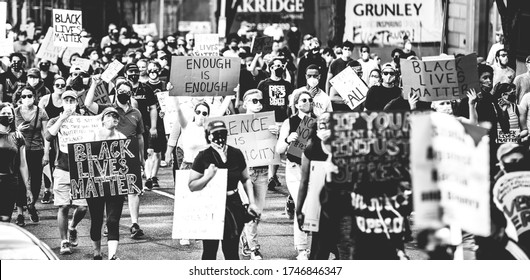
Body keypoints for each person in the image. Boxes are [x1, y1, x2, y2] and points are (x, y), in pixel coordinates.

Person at [84, 77, 146, 240]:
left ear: (131, 93)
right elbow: (88, 104)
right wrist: (94, 85)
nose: (123, 94)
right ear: (116, 92)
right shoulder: (109, 110)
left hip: (130, 154)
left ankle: (135, 224)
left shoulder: (136, 113)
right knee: (110, 191)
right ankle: (108, 224)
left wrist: (142, 158)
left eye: (127, 91)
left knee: (133, 190)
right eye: (120, 91)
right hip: (110, 155)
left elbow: (140, 137)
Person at [189, 120, 259, 260]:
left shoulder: (236, 153)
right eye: (215, 134)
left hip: (233, 204)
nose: (220, 137)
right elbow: (192, 185)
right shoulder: (203, 156)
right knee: (210, 251)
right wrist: (207, 176)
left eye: (223, 133)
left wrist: (251, 202)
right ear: (209, 136)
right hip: (211, 206)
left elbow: (245, 179)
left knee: (231, 251)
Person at [45, 90, 88, 255]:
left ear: (76, 103)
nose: (69, 103)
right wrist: (62, 119)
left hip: (81, 169)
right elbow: (48, 136)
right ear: (62, 103)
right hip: (62, 168)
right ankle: (64, 241)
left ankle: (72, 227)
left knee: (82, 207)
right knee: (63, 205)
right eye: (66, 100)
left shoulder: (83, 120)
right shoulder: (55, 120)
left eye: (72, 100)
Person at [239, 89, 280, 260]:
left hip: (262, 171)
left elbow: (276, 150)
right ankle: (254, 248)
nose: (258, 103)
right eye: (253, 100)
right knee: (251, 211)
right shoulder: (237, 123)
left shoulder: (268, 123)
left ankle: (246, 239)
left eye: (260, 101)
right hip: (245, 172)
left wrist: (276, 135)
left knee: (258, 213)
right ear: (245, 103)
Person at [275, 90, 316, 260]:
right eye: (304, 100)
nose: (307, 102)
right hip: (295, 168)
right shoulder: (289, 122)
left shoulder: (318, 121)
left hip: (315, 168)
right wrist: (287, 140)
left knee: (315, 207)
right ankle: (301, 249)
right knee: (302, 205)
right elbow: (278, 150)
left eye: (310, 99)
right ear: (297, 103)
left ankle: (319, 247)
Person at [296, 112, 340, 260]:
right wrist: (299, 210)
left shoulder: (345, 148)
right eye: (323, 125)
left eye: (330, 124)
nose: (326, 127)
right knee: (319, 252)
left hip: (341, 208)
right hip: (320, 208)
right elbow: (303, 181)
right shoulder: (310, 148)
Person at [88, 107, 127, 260]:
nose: (113, 118)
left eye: (115, 116)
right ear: (102, 119)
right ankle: (96, 251)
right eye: (109, 115)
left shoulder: (122, 138)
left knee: (112, 220)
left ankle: (112, 255)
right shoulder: (92, 136)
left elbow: (129, 164)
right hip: (95, 184)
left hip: (115, 183)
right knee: (96, 220)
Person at [14, 87, 49, 225]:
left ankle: (31, 204)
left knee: (35, 181)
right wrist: (17, 130)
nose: (27, 98)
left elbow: (46, 135)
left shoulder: (41, 112)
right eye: (24, 96)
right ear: (20, 98)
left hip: (36, 150)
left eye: (29, 95)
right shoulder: (14, 112)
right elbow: (7, 131)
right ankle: (20, 213)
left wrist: (46, 153)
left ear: (34, 97)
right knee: (19, 182)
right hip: (19, 150)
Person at [258, 57, 294, 191]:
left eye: (281, 65)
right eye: (276, 65)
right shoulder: (263, 83)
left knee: (279, 149)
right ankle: (271, 177)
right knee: (272, 149)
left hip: (282, 119)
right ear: (271, 67)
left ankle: (272, 176)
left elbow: (291, 101)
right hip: (269, 120)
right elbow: (259, 101)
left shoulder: (287, 84)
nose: (279, 67)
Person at [0, 103, 32, 225]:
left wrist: (27, 187)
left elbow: (23, 164)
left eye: (9, 113)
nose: (6, 116)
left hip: (11, 181)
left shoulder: (18, 136)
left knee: (5, 218)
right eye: (3, 113)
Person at [38, 76, 67, 204]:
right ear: (53, 86)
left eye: (63, 85)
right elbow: (39, 119)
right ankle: (47, 189)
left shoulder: (67, 100)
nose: (60, 87)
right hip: (48, 134)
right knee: (47, 161)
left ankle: (58, 190)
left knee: (59, 162)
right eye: (57, 85)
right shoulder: (45, 99)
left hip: (63, 137)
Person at [326, 41, 354, 111]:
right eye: (345, 49)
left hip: (349, 98)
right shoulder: (335, 63)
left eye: (349, 49)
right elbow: (328, 81)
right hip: (336, 97)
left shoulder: (354, 63)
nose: (347, 51)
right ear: (342, 49)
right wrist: (327, 96)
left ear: (352, 51)